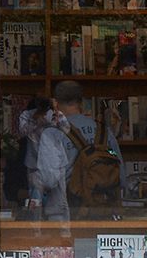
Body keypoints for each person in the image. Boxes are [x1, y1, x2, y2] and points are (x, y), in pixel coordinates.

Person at [47, 80, 124, 216]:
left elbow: (50, 181)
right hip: (102, 211)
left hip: (67, 213)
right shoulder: (104, 131)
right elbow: (121, 175)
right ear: (81, 102)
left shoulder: (53, 133)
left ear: (55, 103)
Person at [17, 96, 70, 221]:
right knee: (35, 198)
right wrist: (36, 122)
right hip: (35, 163)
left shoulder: (56, 114)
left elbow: (67, 130)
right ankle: (36, 229)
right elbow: (22, 131)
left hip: (56, 163)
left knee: (60, 199)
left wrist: (56, 117)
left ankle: (62, 230)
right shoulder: (27, 115)